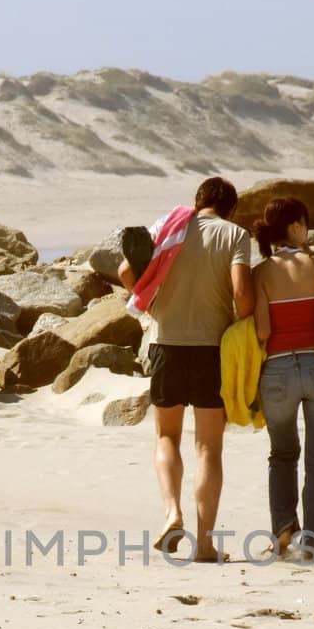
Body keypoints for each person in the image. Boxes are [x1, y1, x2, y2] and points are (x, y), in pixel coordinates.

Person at [119, 177, 254, 563]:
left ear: (198, 201)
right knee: (209, 448)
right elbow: (242, 291)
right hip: (212, 350)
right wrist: (241, 324)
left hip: (167, 344)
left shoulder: (170, 225)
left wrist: (155, 302)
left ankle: (171, 513)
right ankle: (206, 545)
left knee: (166, 437)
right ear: (231, 207)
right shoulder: (235, 235)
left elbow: (127, 271)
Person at [250, 196, 314, 562]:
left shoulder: (261, 273)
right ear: (295, 226)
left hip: (277, 373)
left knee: (282, 455)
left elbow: (262, 330)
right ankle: (311, 544)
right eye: (304, 224)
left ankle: (283, 530)